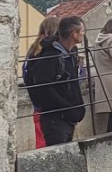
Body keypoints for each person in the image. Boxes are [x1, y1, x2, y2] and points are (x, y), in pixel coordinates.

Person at [25, 15, 87, 145]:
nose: (83, 34)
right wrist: (66, 108)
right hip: (55, 119)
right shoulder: (50, 57)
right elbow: (44, 88)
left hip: (66, 118)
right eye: (82, 31)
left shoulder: (69, 54)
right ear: (73, 33)